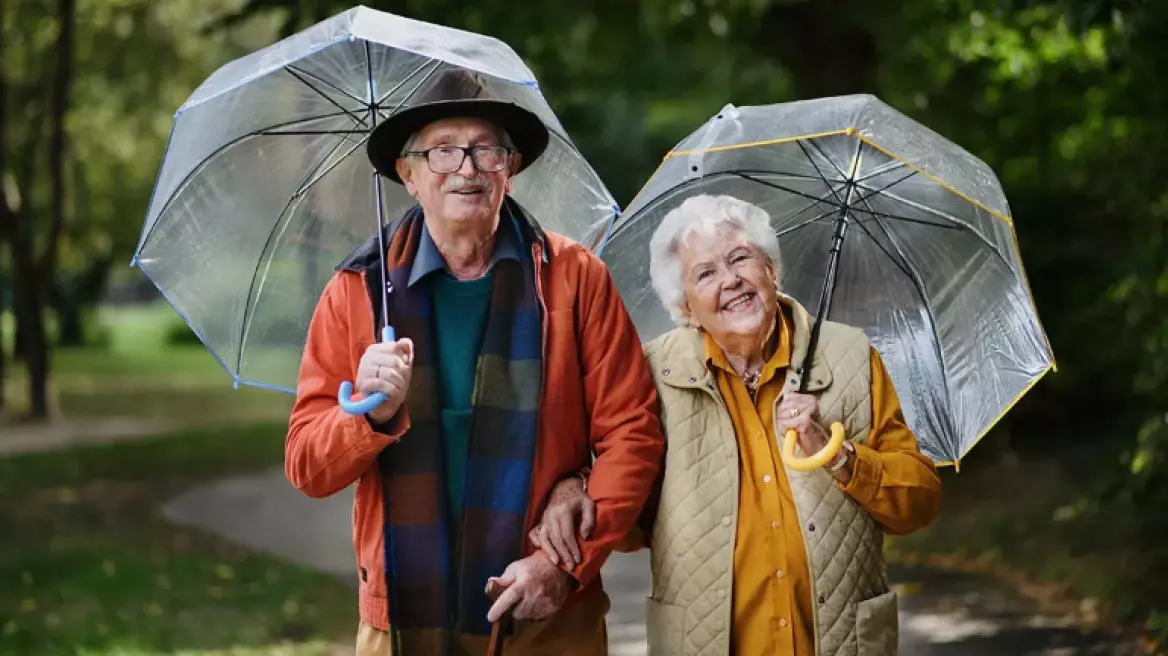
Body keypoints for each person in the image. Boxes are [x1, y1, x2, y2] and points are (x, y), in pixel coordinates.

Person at [284, 68, 665, 656]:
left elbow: (632, 434)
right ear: (408, 175)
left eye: (485, 149)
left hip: (547, 618)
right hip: (402, 620)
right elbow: (308, 466)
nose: (466, 168)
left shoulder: (574, 278)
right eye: (442, 150)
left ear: (510, 168)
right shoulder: (358, 292)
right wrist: (369, 415)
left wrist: (563, 565)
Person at [530, 194, 943, 655]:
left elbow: (919, 502)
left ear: (771, 270)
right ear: (686, 306)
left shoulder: (849, 356)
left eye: (741, 258)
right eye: (705, 273)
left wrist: (837, 454)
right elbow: (629, 519)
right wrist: (578, 485)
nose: (730, 280)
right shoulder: (650, 376)